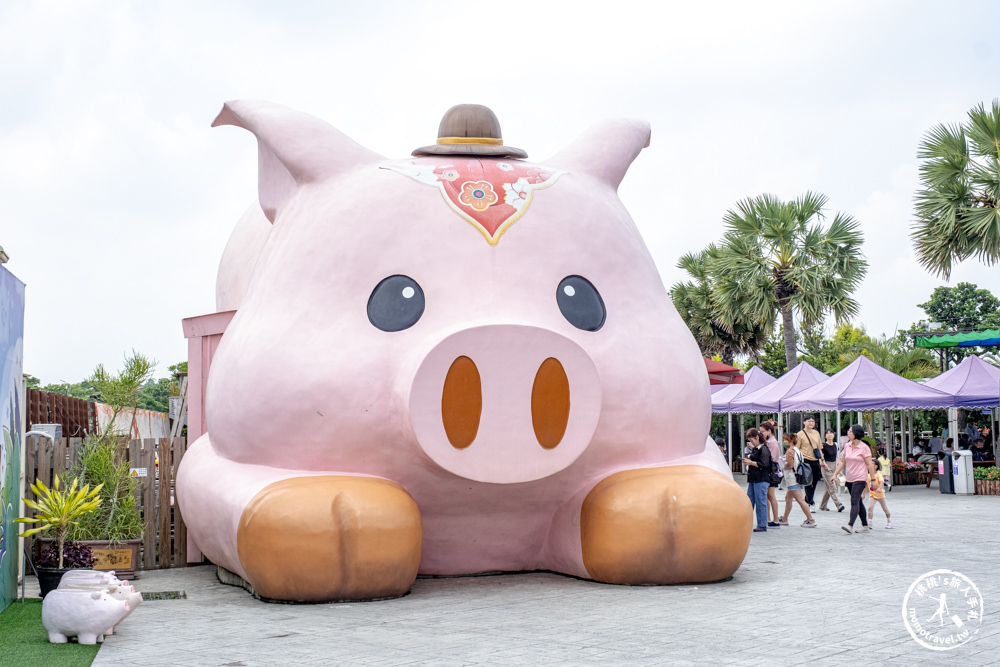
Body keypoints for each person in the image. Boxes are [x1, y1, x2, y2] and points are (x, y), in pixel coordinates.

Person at [833, 424, 877, 534]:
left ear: (856, 434)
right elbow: (843, 461)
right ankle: (865, 526)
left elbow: (870, 464)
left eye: (851, 432)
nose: (848, 433)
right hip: (850, 478)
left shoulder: (864, 448)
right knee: (858, 502)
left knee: (854, 501)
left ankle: (850, 525)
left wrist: (873, 479)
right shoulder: (847, 446)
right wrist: (835, 474)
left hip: (860, 478)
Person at [777, 434, 817, 528]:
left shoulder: (790, 451)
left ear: (790, 441)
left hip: (792, 478)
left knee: (800, 500)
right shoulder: (797, 450)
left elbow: (790, 465)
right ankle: (784, 518)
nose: (784, 442)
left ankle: (810, 519)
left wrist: (782, 466)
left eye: (785, 440)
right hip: (797, 476)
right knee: (788, 498)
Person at [742, 428, 772, 533]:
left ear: (757, 437)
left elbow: (764, 464)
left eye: (752, 440)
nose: (751, 442)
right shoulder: (756, 448)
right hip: (754, 479)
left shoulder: (764, 449)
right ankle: (747, 523)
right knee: (750, 501)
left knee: (761, 502)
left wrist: (751, 463)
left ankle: (762, 524)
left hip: (761, 479)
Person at [795, 415, 822, 510]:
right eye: (809, 421)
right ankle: (811, 502)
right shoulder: (800, 434)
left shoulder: (816, 433)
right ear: (804, 422)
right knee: (808, 482)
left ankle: (807, 499)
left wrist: (822, 460)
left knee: (814, 482)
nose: (811, 423)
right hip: (805, 461)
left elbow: (819, 448)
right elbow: (796, 449)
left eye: (813, 421)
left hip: (815, 460)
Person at [759, 421, 782, 527]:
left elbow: (772, 459)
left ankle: (775, 519)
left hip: (770, 470)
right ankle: (769, 518)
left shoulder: (772, 443)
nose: (761, 433)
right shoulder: (770, 442)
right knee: (768, 496)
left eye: (762, 431)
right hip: (769, 470)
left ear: (769, 431)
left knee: (771, 495)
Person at [817, 428, 844, 512]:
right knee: (832, 486)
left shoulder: (835, 445)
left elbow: (836, 457)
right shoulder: (823, 446)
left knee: (828, 487)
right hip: (826, 466)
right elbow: (820, 456)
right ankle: (838, 504)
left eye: (831, 433)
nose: (829, 434)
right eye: (827, 433)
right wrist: (823, 463)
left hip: (834, 465)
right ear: (825, 436)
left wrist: (839, 469)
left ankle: (822, 505)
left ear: (834, 435)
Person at [867, 463, 892, 528]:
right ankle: (869, 523)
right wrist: (863, 494)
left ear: (876, 466)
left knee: (885, 508)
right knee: (870, 508)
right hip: (872, 495)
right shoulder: (868, 476)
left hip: (880, 495)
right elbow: (865, 485)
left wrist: (879, 488)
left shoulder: (878, 475)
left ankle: (889, 522)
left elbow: (881, 482)